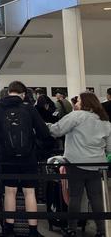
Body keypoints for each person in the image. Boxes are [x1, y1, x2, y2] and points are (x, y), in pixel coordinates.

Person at [0, 81, 50, 237]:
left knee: (10, 192)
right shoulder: (29, 108)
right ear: (23, 94)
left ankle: (8, 230)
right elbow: (43, 131)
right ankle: (33, 231)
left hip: (7, 156)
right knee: (30, 192)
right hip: (28, 156)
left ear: (9, 92)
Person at [48, 92, 111, 237]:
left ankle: (71, 229)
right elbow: (109, 149)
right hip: (97, 165)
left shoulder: (76, 116)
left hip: (76, 163)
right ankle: (102, 231)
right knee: (96, 198)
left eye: (78, 100)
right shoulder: (105, 122)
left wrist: (45, 125)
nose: (76, 103)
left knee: (75, 197)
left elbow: (57, 130)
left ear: (85, 103)